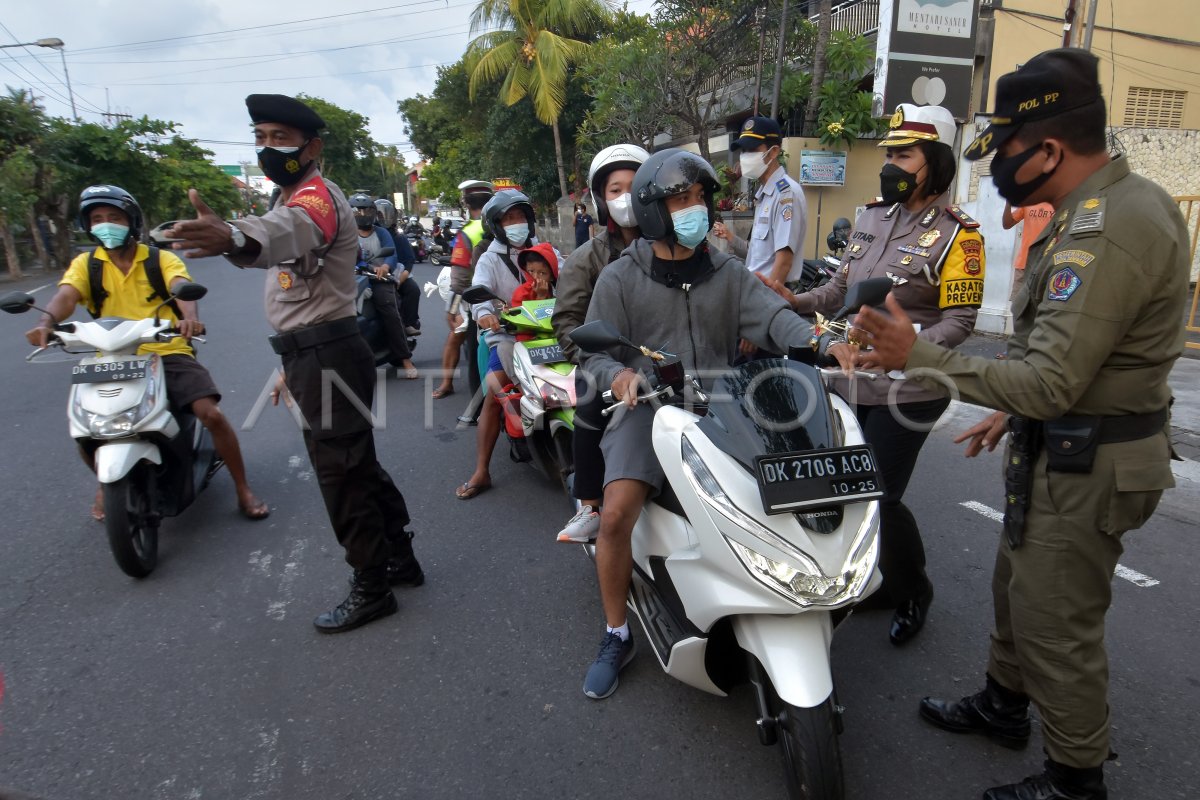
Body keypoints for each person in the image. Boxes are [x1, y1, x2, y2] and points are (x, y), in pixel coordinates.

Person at [852, 50, 1188, 800]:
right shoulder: (1090, 212)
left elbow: (1051, 375)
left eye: (1003, 151)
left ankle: (1074, 780)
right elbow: (1074, 353)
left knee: (1057, 625)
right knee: (1017, 589)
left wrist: (919, 356)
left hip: (1091, 460)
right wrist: (1011, 407)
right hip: (1060, 440)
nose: (996, 166)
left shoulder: (1108, 229)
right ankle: (1004, 706)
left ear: (1049, 150)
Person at [170, 94, 424, 634]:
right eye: (259, 137)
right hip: (317, 350)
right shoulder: (290, 195)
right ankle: (399, 558)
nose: (267, 147)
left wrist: (236, 236)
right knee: (357, 465)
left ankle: (372, 586)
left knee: (342, 475)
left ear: (312, 146)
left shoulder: (314, 199)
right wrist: (292, 362)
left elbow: (285, 233)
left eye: (279, 138)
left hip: (326, 350)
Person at [578, 148, 820, 700]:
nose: (694, 210)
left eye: (698, 199)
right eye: (680, 201)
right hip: (650, 409)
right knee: (616, 514)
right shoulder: (619, 278)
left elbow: (777, 318)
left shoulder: (728, 273)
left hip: (723, 406)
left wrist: (820, 341)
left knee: (773, 499)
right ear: (655, 211)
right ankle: (617, 632)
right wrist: (618, 375)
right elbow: (590, 353)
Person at [768, 103, 987, 647]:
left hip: (911, 388)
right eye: (888, 152)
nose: (890, 163)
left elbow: (960, 322)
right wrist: (792, 299)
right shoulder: (869, 218)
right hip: (850, 379)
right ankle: (878, 582)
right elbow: (837, 291)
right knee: (847, 487)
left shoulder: (961, 238)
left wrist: (905, 351)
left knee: (879, 495)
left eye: (903, 154)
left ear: (934, 162)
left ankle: (912, 589)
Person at [26, 184, 268, 524]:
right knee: (84, 428)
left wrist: (190, 320)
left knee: (209, 413)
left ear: (132, 222)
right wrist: (45, 322)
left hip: (166, 350)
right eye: (97, 219)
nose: (106, 224)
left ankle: (242, 487)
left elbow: (180, 288)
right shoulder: (86, 264)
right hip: (108, 357)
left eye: (114, 218)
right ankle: (103, 482)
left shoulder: (159, 259)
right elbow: (65, 296)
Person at [550, 143, 649, 545]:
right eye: (615, 189)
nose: (625, 196)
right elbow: (567, 323)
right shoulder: (586, 259)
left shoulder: (678, 249)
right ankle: (590, 503)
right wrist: (598, 362)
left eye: (634, 186)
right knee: (590, 393)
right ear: (599, 198)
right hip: (608, 364)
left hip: (663, 358)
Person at [454, 189, 543, 499]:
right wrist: (485, 315)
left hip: (547, 335)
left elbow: (569, 277)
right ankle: (482, 470)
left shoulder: (545, 251)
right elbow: (478, 291)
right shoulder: (489, 259)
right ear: (496, 224)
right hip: (506, 336)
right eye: (509, 219)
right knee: (494, 391)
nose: (516, 223)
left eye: (520, 216)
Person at [713, 116, 808, 358]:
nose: (746, 156)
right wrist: (731, 239)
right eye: (743, 150)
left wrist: (761, 318)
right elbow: (759, 255)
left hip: (769, 302)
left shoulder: (786, 195)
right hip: (754, 298)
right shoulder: (764, 195)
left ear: (774, 151)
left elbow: (783, 262)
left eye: (753, 149)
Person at [349, 192, 418, 379]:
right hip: (351, 280)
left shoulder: (382, 232)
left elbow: (392, 255)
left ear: (373, 212)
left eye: (366, 210)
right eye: (358, 210)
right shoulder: (346, 234)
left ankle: (405, 358)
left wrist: (386, 266)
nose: (362, 214)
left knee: (390, 309)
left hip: (378, 279)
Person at [437, 179, 494, 401]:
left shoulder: (468, 232)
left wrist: (451, 309)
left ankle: (475, 403)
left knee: (466, 341)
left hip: (479, 302)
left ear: (466, 204)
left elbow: (460, 279)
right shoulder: (505, 222)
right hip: (512, 298)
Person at [995, 201, 1054, 359]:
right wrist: (1008, 202)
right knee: (1018, 307)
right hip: (1024, 264)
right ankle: (1017, 348)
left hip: (1047, 264)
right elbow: (1007, 224)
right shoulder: (1029, 202)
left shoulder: (1058, 204)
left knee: (1044, 308)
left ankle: (1038, 350)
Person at [376, 198, 422, 338]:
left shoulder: (399, 237)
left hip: (396, 275)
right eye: (380, 214)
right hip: (372, 275)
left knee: (413, 289)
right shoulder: (370, 234)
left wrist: (399, 280)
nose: (384, 218)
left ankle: (409, 323)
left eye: (387, 214)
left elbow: (408, 261)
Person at [511, 242, 558, 340]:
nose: (535, 277)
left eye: (542, 273)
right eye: (531, 271)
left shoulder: (559, 291)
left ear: (552, 275)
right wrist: (540, 297)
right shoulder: (522, 293)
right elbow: (522, 323)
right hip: (529, 340)